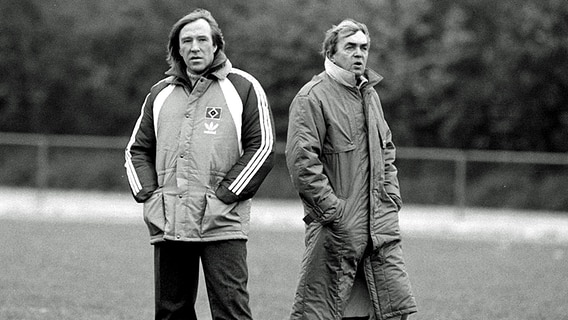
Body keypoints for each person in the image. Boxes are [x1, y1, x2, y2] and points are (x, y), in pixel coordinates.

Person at [124, 9, 274, 320]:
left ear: (217, 45)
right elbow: (135, 150)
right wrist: (150, 197)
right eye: (187, 41)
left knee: (232, 313)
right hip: (170, 223)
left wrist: (224, 198)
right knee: (170, 312)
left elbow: (263, 148)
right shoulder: (159, 93)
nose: (195, 47)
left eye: (202, 40)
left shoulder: (243, 87)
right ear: (177, 48)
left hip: (222, 222)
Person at [285, 19, 417, 320]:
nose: (359, 54)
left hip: (378, 229)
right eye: (350, 47)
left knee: (391, 310)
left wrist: (390, 199)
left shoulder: (370, 95)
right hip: (336, 230)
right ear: (331, 53)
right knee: (320, 312)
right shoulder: (312, 97)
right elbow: (303, 163)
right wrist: (334, 212)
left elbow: (386, 151)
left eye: (364, 47)